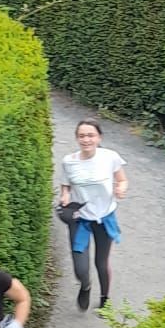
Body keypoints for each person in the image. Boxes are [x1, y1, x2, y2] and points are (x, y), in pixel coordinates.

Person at [56, 117, 126, 311]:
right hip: (80, 219)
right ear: (77, 138)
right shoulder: (69, 162)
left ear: (99, 137)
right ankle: (85, 286)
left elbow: (122, 179)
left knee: (101, 263)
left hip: (104, 217)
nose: (86, 139)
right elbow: (65, 186)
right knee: (81, 268)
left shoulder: (109, 157)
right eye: (82, 136)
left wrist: (121, 188)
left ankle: (105, 298)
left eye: (90, 135)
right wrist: (65, 196)